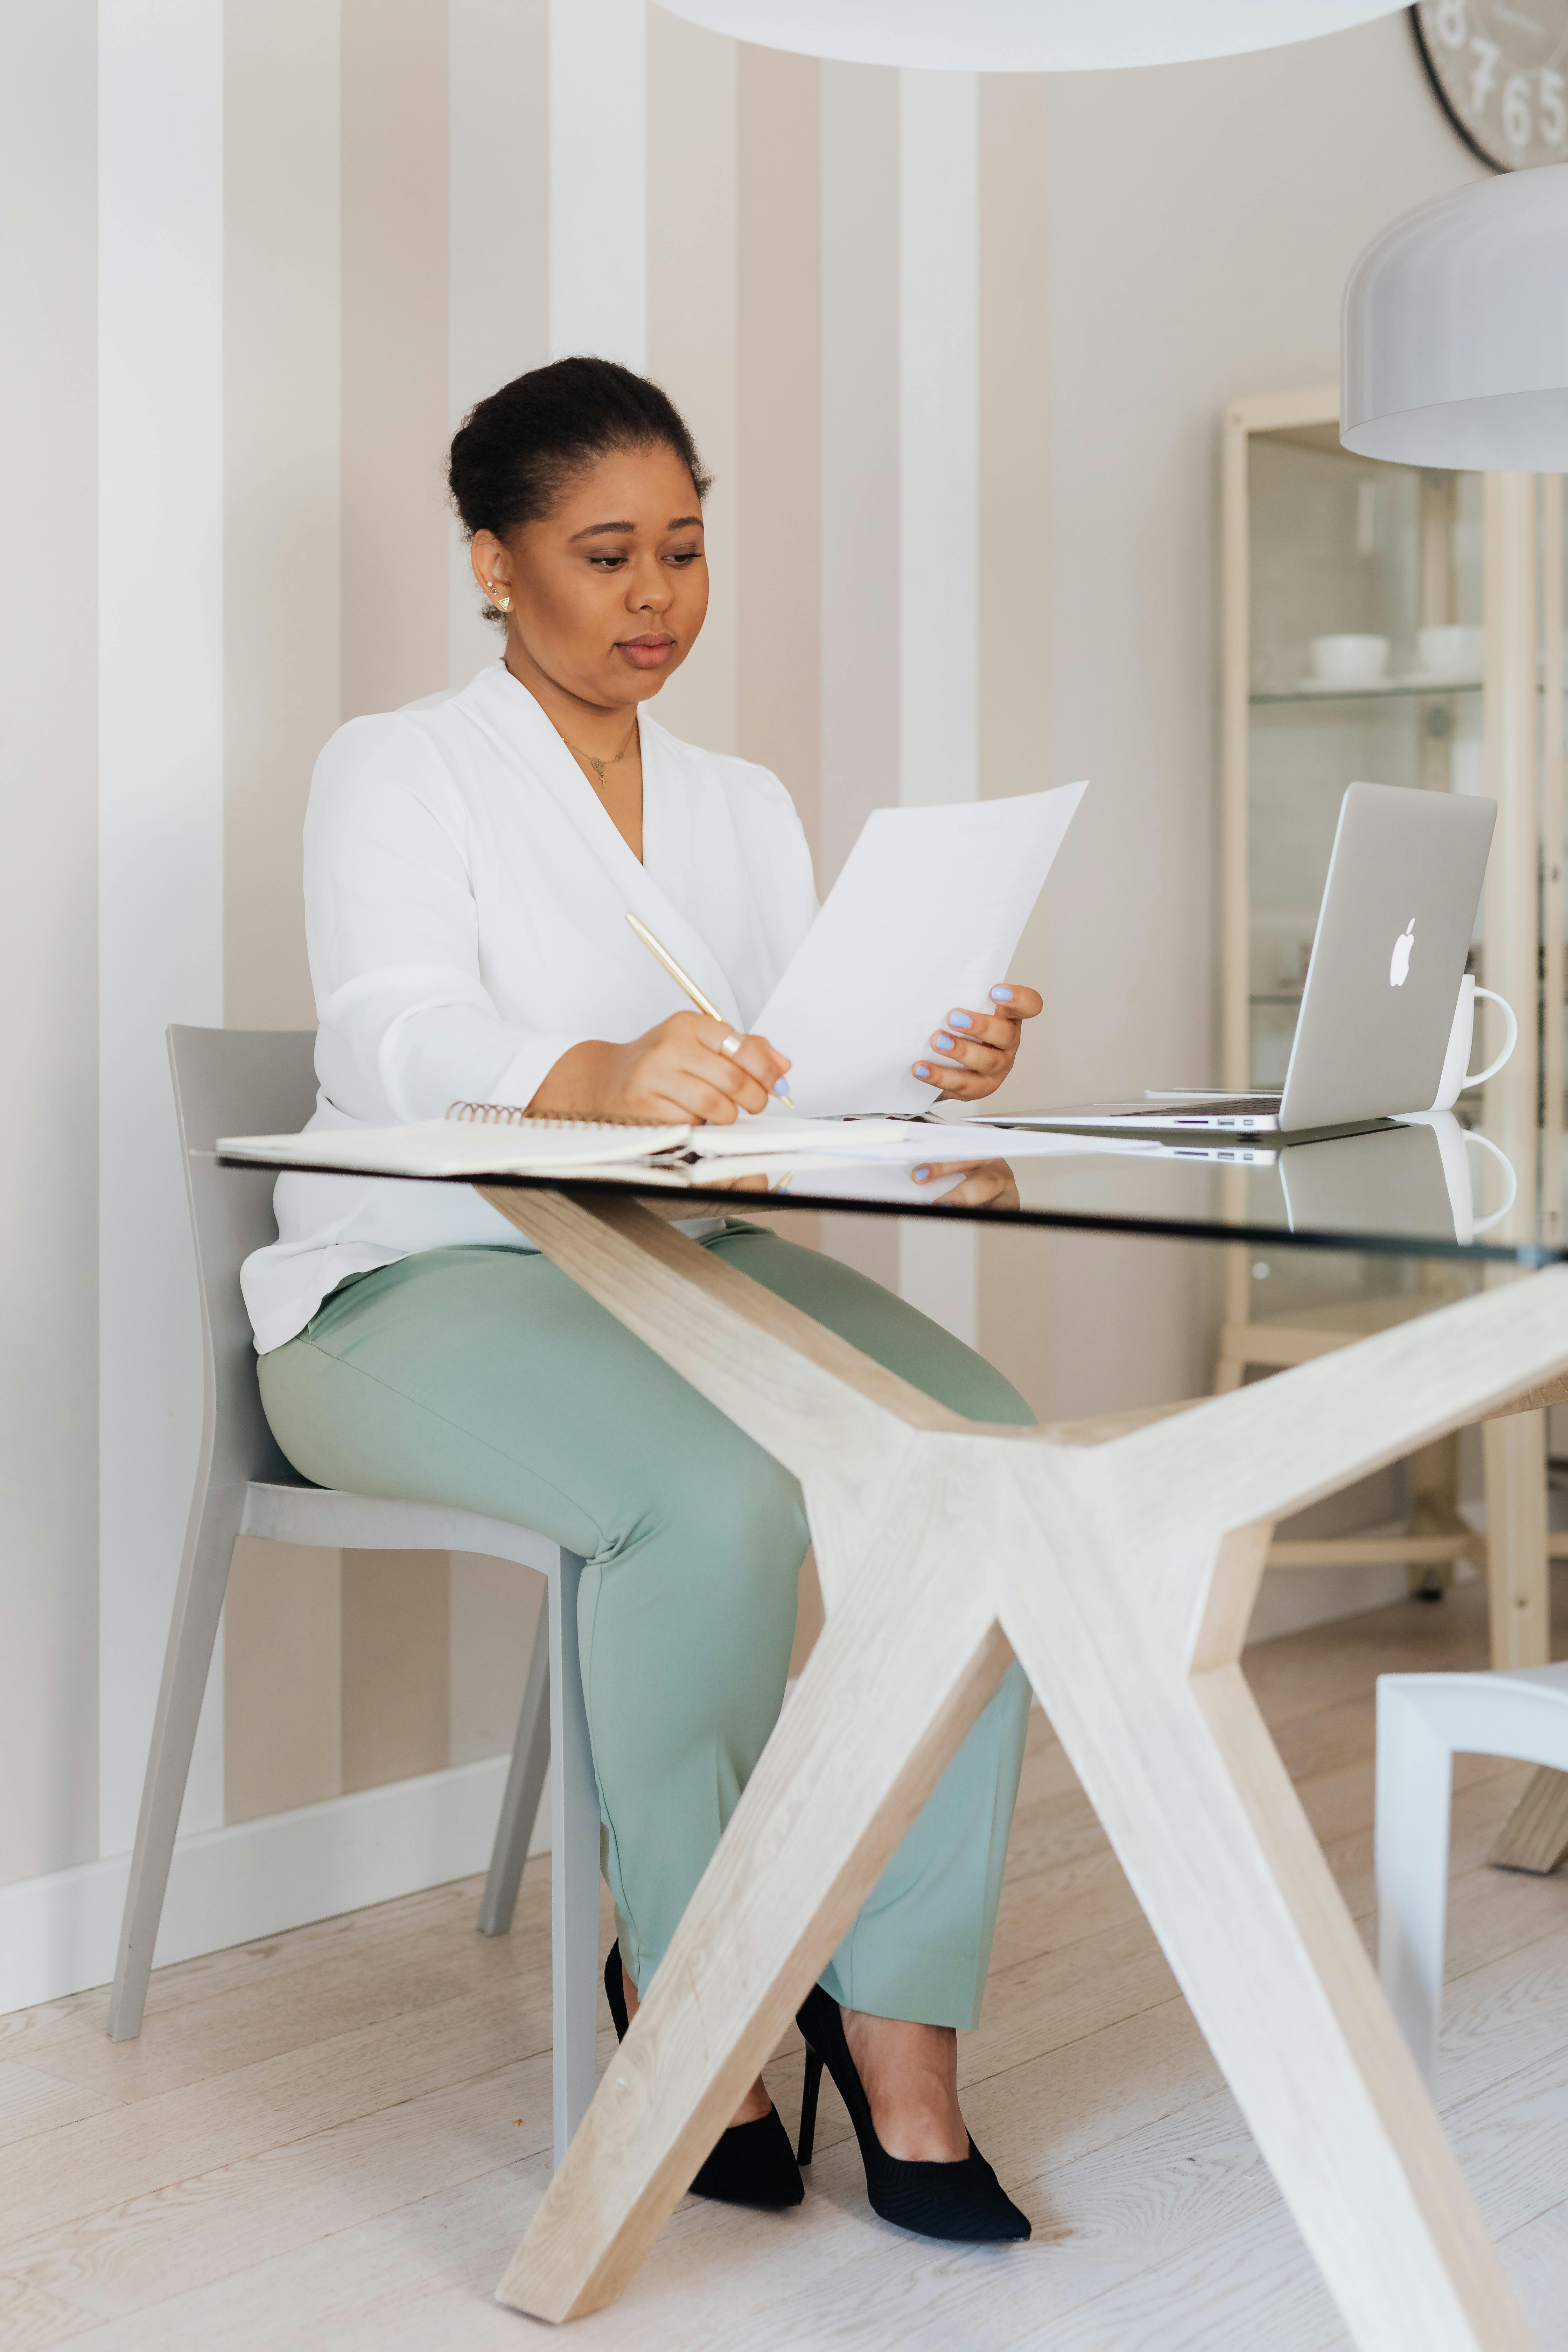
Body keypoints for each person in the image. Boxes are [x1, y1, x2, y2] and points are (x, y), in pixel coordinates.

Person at [244, 357, 1044, 2242]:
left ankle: (901, 2013)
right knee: (722, 1493)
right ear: (493, 564)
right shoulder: (400, 764)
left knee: (990, 1461)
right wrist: (595, 1071)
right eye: (606, 553)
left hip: (677, 1268)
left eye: (684, 549)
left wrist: (935, 1095)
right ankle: (699, 1989)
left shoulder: (742, 803)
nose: (656, 595)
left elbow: (798, 1071)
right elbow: (382, 1029)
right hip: (415, 1287)